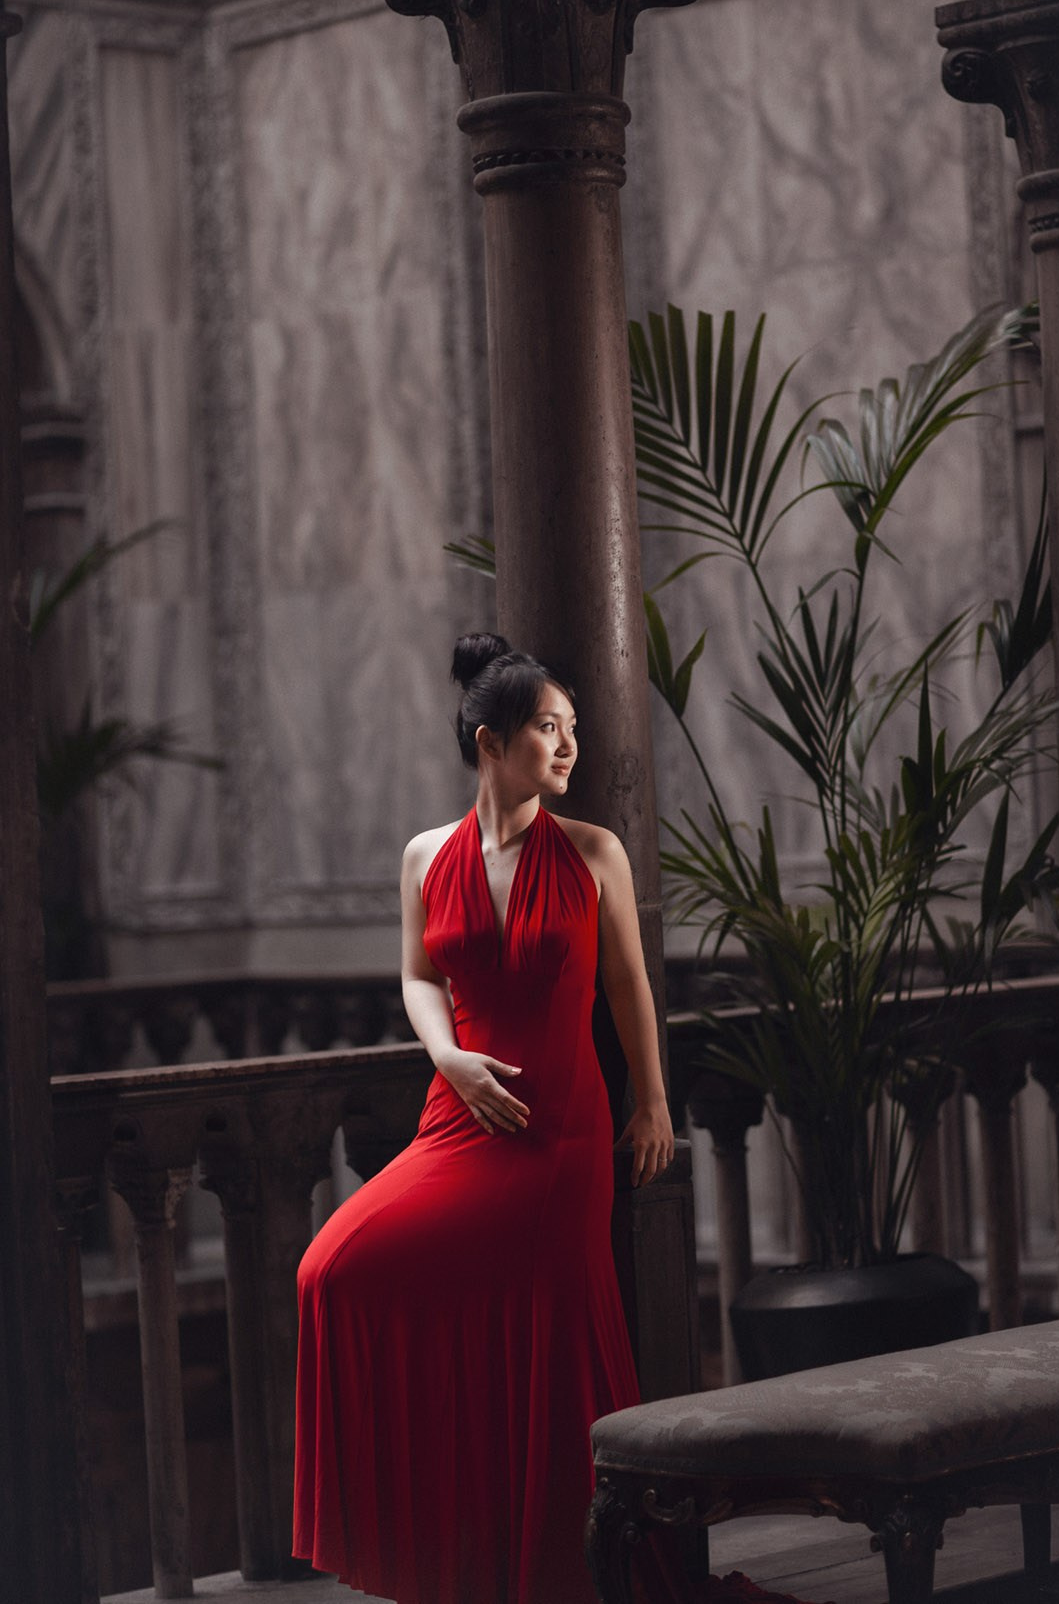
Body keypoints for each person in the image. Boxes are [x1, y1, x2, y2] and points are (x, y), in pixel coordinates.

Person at [292, 634, 792, 1604]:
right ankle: (458, 1541)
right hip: (459, 1114)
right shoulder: (424, 854)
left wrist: (651, 1098)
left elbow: (630, 984)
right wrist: (444, 1053)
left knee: (555, 1341)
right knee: (330, 1267)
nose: (570, 747)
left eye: (573, 730)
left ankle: (577, 1569)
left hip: (563, 1130)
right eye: (549, 729)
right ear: (491, 739)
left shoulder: (593, 850)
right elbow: (418, 973)